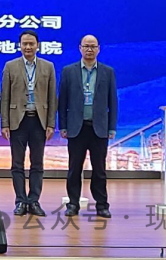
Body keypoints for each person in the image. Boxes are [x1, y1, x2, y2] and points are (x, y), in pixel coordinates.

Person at [58, 34, 117, 218]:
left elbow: (113, 101)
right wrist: (63, 126)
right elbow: (63, 101)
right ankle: (73, 204)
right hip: (77, 128)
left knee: (99, 170)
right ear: (80, 48)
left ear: (98, 49)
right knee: (74, 169)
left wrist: (111, 127)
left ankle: (102, 205)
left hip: (99, 128)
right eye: (86, 46)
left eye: (93, 46)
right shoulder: (69, 71)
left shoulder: (107, 72)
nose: (89, 49)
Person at [0, 30, 57, 217]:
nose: (28, 47)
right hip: (18, 121)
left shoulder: (48, 66)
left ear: (37, 45)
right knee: (17, 164)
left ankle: (34, 201)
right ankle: (20, 201)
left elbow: (52, 97)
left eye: (31, 43)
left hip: (39, 121)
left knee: (37, 164)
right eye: (24, 43)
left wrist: (51, 124)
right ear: (20, 45)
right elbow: (5, 97)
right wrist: (5, 124)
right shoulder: (10, 66)